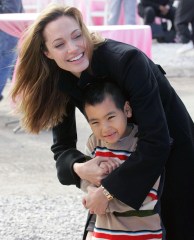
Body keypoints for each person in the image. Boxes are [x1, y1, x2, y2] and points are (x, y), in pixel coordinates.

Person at [10, 4, 194, 240]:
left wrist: (108, 192)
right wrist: (80, 168)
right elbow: (62, 148)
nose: (73, 48)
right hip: (122, 165)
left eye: (77, 36)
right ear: (46, 52)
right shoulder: (58, 78)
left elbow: (157, 142)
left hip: (173, 154)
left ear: (85, 31)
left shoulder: (128, 61)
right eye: (59, 44)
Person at [81, 81, 165, 240]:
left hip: (143, 233)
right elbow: (86, 180)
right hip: (103, 232)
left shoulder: (142, 143)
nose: (105, 128)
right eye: (95, 122)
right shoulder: (94, 143)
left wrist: (102, 201)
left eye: (110, 117)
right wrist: (92, 194)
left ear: (126, 110)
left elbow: (146, 193)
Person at [0, 0, 24, 101]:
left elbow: (11, 11)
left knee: (6, 66)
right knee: (7, 67)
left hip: (7, 30)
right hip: (8, 30)